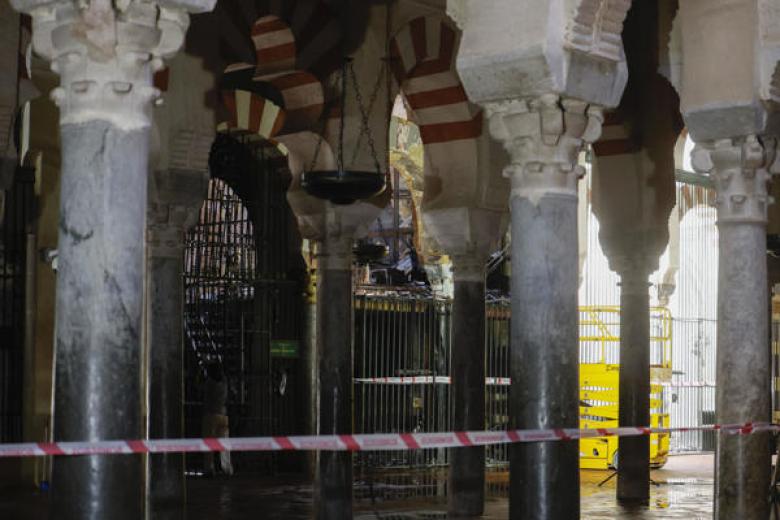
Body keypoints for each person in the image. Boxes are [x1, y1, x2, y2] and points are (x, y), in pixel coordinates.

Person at [202, 361, 233, 476]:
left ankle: (209, 468)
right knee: (224, 444)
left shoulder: (209, 383)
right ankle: (227, 468)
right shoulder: (224, 383)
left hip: (210, 415)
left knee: (208, 444)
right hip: (223, 415)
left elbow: (201, 389)